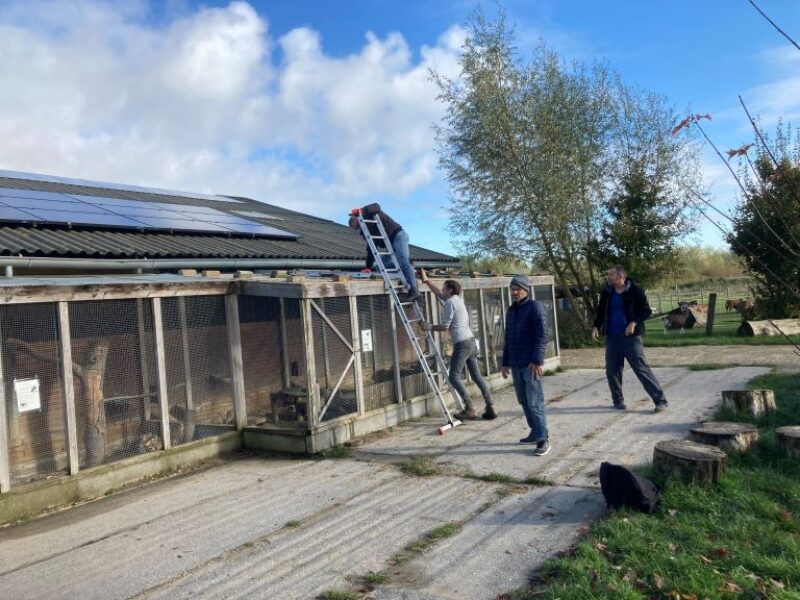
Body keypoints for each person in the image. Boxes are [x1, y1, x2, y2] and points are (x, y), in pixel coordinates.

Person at [419, 270, 496, 421]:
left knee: (453, 377)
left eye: (444, 287)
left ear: (450, 290)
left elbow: (444, 327)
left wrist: (428, 326)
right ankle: (491, 407)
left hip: (462, 344)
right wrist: (426, 281)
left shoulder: (450, 303)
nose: (442, 290)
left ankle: (470, 409)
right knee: (477, 376)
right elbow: (438, 294)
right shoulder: (457, 299)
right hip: (471, 342)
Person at [592, 265, 668, 413]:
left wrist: (633, 323)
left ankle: (660, 400)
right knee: (612, 370)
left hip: (631, 339)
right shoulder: (607, 292)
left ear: (621, 276)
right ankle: (618, 401)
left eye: (611, 275)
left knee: (641, 369)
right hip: (612, 338)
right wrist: (596, 326)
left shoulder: (635, 291)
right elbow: (601, 312)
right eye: (609, 275)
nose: (608, 277)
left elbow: (646, 311)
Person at [501, 275, 550, 456]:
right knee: (523, 400)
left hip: (530, 364)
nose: (514, 292)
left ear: (526, 289)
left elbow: (542, 334)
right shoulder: (511, 311)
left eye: (518, 288)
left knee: (535, 402)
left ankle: (543, 438)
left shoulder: (534, 307)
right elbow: (508, 338)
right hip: (516, 363)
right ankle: (535, 431)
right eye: (512, 289)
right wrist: (505, 362)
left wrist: (537, 360)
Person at [348, 203, 420, 302]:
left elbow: (376, 206)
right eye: (357, 228)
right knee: (380, 266)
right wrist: (368, 267)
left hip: (398, 236)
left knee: (403, 261)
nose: (359, 228)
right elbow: (371, 249)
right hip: (390, 246)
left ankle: (414, 290)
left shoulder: (369, 215)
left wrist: (362, 210)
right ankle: (405, 272)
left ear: (358, 218)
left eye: (358, 225)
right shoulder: (365, 231)